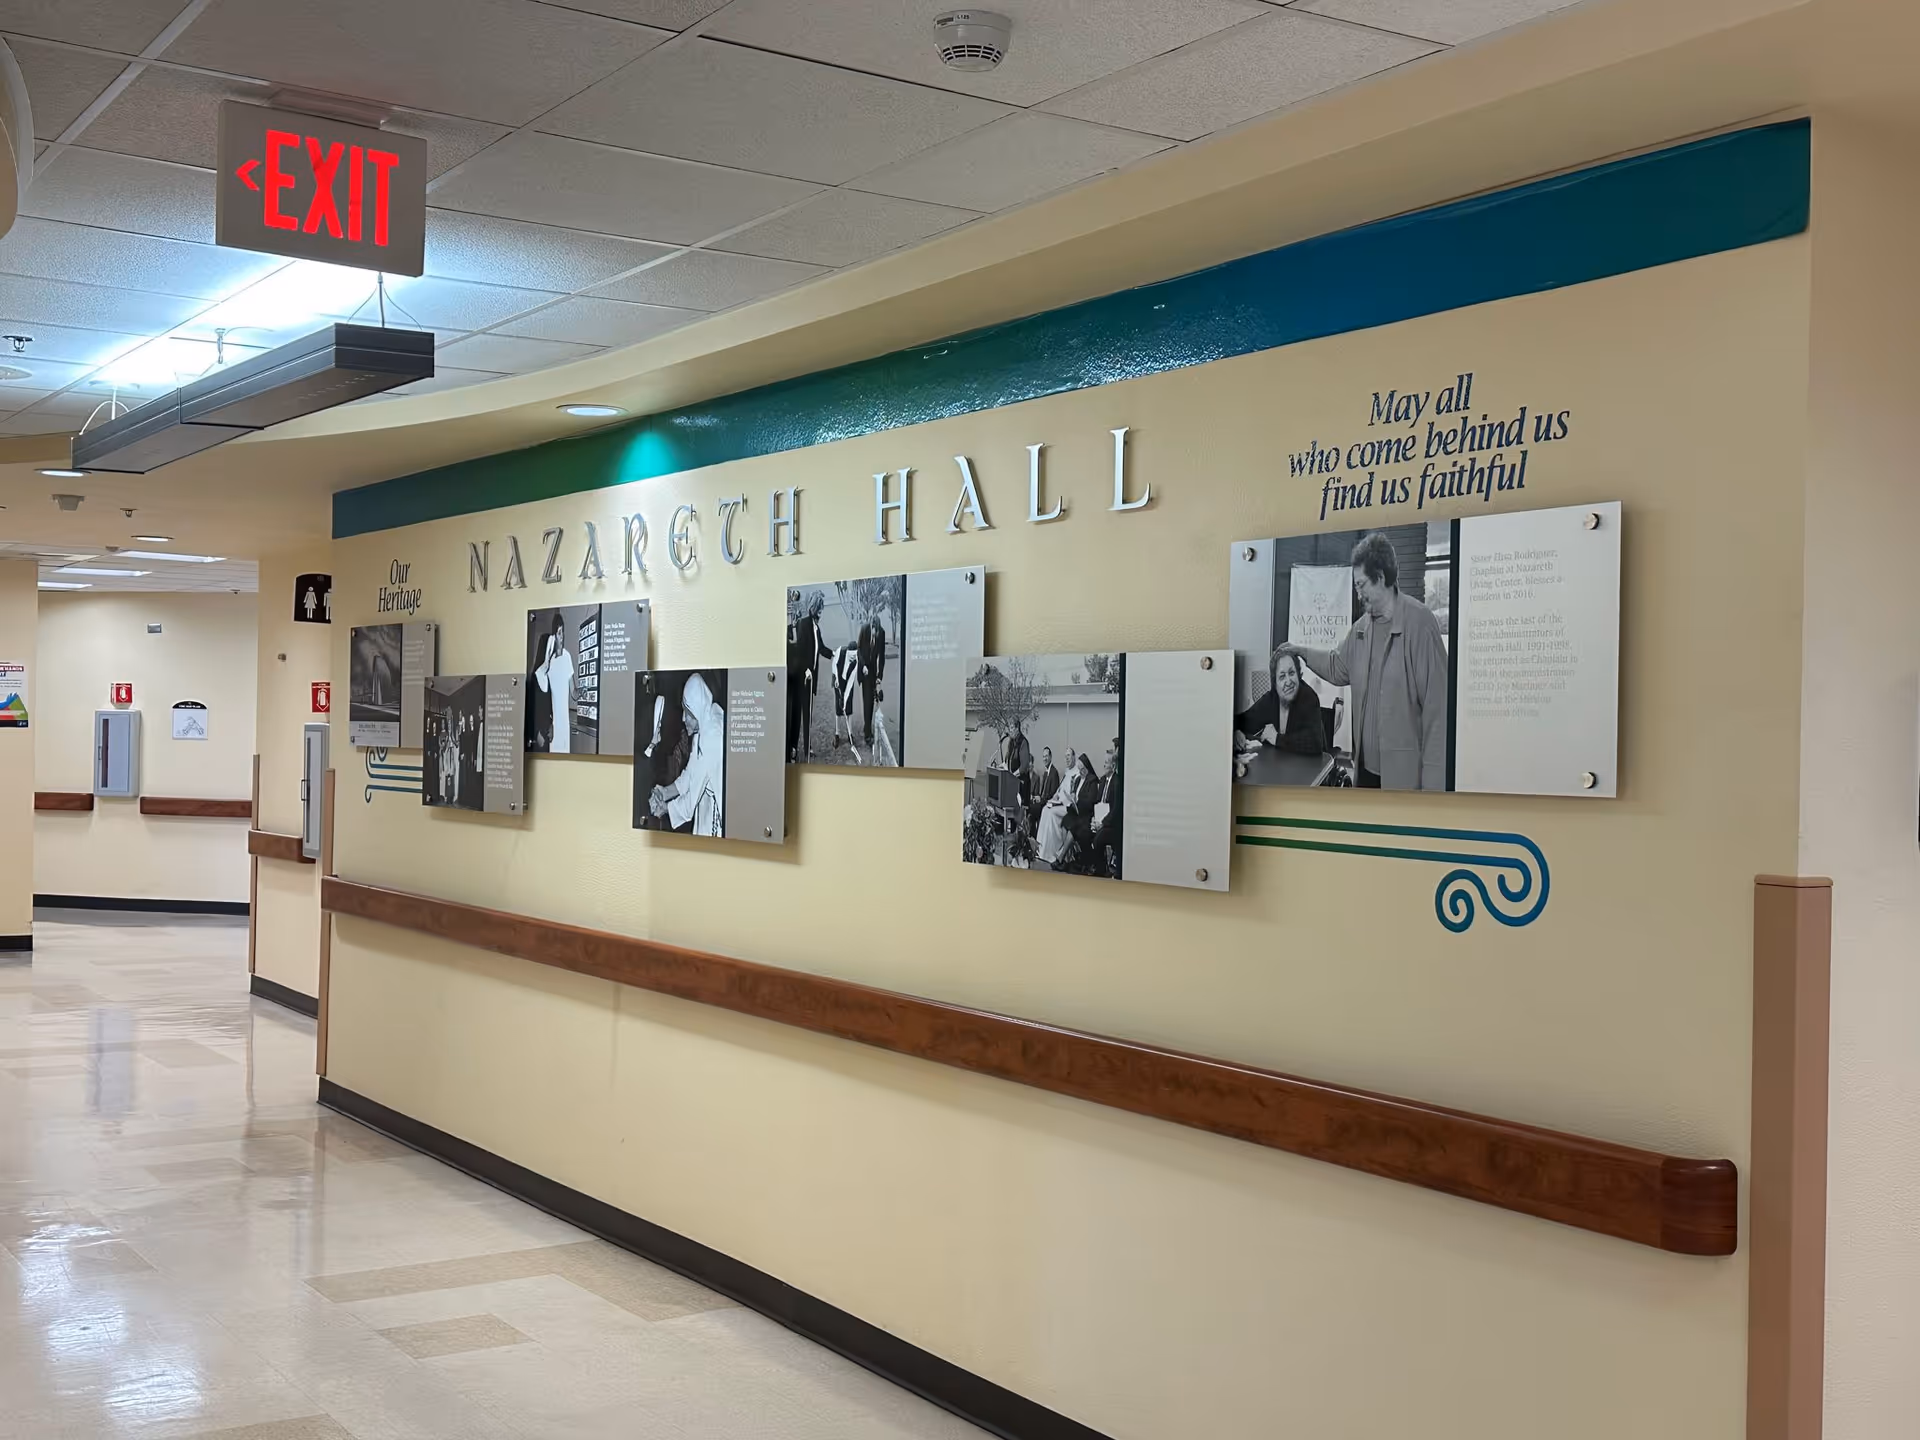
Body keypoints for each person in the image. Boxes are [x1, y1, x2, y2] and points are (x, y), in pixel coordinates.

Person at [1282, 532, 1448, 790]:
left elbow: (1439, 715)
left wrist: (1434, 789)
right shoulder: (1361, 629)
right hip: (1365, 775)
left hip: (1406, 783)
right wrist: (1301, 650)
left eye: (1361, 585)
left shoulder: (1420, 624)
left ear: (1380, 578)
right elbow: (1338, 666)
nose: (1357, 593)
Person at [648, 673, 724, 836]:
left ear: (697, 710)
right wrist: (665, 792)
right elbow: (690, 775)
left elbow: (689, 805)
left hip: (714, 820)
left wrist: (665, 808)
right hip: (704, 809)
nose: (683, 718)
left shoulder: (713, 737)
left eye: (688, 713)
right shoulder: (704, 722)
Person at [1234, 649, 1328, 773]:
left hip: (1311, 771)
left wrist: (1277, 739)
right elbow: (1244, 720)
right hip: (1282, 769)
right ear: (1275, 682)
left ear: (1299, 675)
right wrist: (1235, 730)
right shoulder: (1271, 698)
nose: (1288, 681)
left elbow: (1315, 743)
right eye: (1282, 676)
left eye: (1291, 673)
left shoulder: (1309, 698)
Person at [533, 615, 576, 754]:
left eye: (563, 632)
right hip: (553, 724)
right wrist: (546, 725)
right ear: (553, 637)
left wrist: (582, 692)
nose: (561, 636)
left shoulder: (567, 657)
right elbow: (543, 694)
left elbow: (573, 693)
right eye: (558, 633)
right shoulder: (549, 663)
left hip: (564, 722)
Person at [1089, 739, 1122, 876]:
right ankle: (1097, 865)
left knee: (1099, 837)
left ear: (1113, 766)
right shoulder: (1102, 780)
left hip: (1111, 825)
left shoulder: (1117, 782)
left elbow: (1115, 810)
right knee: (1086, 831)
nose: (1104, 765)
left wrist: (1102, 824)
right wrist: (1093, 820)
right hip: (1100, 821)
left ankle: (1100, 870)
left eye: (1107, 763)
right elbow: (1097, 802)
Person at [857, 617, 887, 753]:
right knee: (867, 701)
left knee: (873, 700)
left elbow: (882, 656)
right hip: (864, 671)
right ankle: (868, 734)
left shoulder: (882, 632)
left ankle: (867, 727)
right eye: (874, 634)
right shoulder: (864, 629)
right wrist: (862, 666)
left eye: (877, 635)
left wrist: (879, 677)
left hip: (873, 671)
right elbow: (858, 650)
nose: (875, 636)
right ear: (871, 628)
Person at [1028, 746, 1061, 829]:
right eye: (1043, 756)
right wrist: (1037, 797)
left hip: (1047, 804)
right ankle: (1031, 835)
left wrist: (1041, 799)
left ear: (1050, 757)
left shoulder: (1054, 773)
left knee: (1030, 809)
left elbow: (1052, 794)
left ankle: (1033, 836)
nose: (1044, 759)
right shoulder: (1046, 772)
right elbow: (1042, 792)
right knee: (1028, 806)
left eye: (1046, 756)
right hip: (1042, 802)